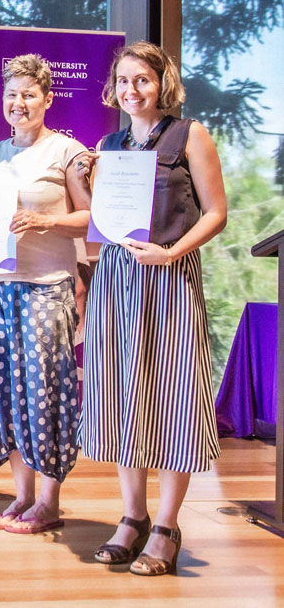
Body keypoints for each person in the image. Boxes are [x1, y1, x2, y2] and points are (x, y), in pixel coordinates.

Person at [78, 41, 226, 576]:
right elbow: (100, 220)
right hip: (117, 280)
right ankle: (132, 516)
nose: (131, 90)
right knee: (123, 396)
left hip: (170, 277)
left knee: (175, 397)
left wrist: (172, 253)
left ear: (163, 82)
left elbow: (216, 213)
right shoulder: (111, 143)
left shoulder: (191, 134)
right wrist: (84, 175)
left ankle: (166, 524)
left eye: (142, 79)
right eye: (122, 81)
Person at [0, 54, 91, 532]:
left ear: (48, 99)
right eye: (11, 94)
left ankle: (49, 502)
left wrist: (49, 219)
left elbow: (94, 218)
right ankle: (22, 496)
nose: (18, 102)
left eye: (29, 93)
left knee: (43, 392)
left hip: (44, 287)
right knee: (3, 392)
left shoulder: (67, 152)